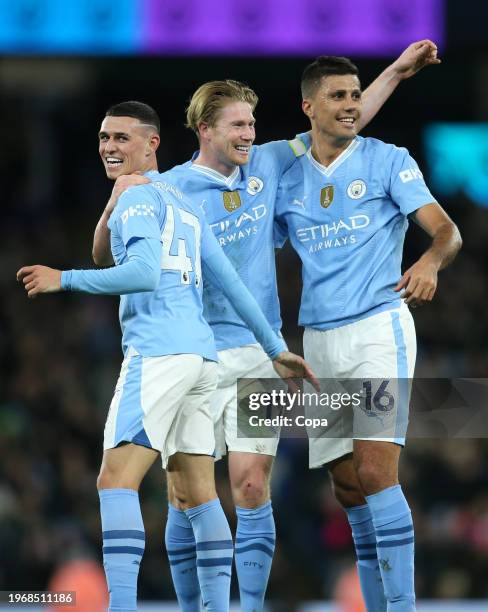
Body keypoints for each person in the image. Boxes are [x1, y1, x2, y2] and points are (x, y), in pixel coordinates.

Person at [92, 41, 441, 612]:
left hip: (262, 352)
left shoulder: (272, 164)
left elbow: (338, 122)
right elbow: (108, 257)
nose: (250, 135)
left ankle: (248, 606)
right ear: (206, 129)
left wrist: (398, 73)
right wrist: (114, 203)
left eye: (253, 124)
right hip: (199, 354)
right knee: (186, 497)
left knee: (252, 488)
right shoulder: (173, 187)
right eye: (238, 125)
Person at [16, 135, 318, 612]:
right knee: (197, 492)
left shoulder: (140, 197)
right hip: (203, 355)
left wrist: (63, 278)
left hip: (158, 351)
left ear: (150, 143)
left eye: (120, 137)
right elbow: (232, 281)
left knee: (115, 481)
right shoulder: (182, 203)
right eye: (101, 137)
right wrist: (275, 347)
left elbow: (139, 273)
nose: (108, 146)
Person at [274, 55, 462, 611]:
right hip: (319, 342)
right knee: (348, 486)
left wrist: (429, 262)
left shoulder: (387, 160)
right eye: (337, 96)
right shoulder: (286, 174)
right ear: (309, 107)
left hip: (379, 328)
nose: (352, 105)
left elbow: (445, 231)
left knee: (377, 470)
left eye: (357, 94)